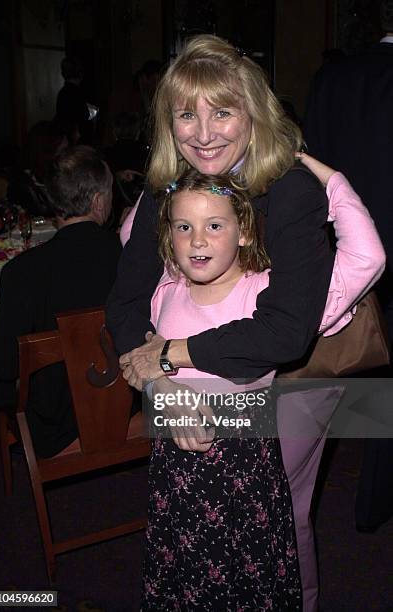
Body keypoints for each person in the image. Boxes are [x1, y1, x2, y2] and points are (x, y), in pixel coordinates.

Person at [105, 35, 382, 611]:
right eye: (187, 114)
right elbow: (125, 307)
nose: (204, 134)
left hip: (292, 375)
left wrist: (168, 353)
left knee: (280, 516)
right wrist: (161, 389)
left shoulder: (288, 191)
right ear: (167, 122)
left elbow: (284, 333)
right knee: (191, 522)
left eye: (222, 112)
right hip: (186, 377)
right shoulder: (166, 191)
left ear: (252, 113)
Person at [142, 164, 384, 610]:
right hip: (176, 478)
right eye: (184, 227)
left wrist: (323, 175)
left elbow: (366, 258)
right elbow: (148, 370)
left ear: (245, 232)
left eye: (214, 225)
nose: (197, 240)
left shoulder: (271, 298)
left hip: (247, 480)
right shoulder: (165, 290)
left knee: (249, 586)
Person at [304, 0, 393, 533]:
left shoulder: (333, 79)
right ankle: (373, 497)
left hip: (346, 253)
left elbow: (313, 170)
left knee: (355, 367)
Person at [0, 146, 121, 458]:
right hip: (123, 404)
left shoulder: (21, 272)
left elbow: (2, 365)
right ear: (99, 201)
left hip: (51, 427)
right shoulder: (128, 258)